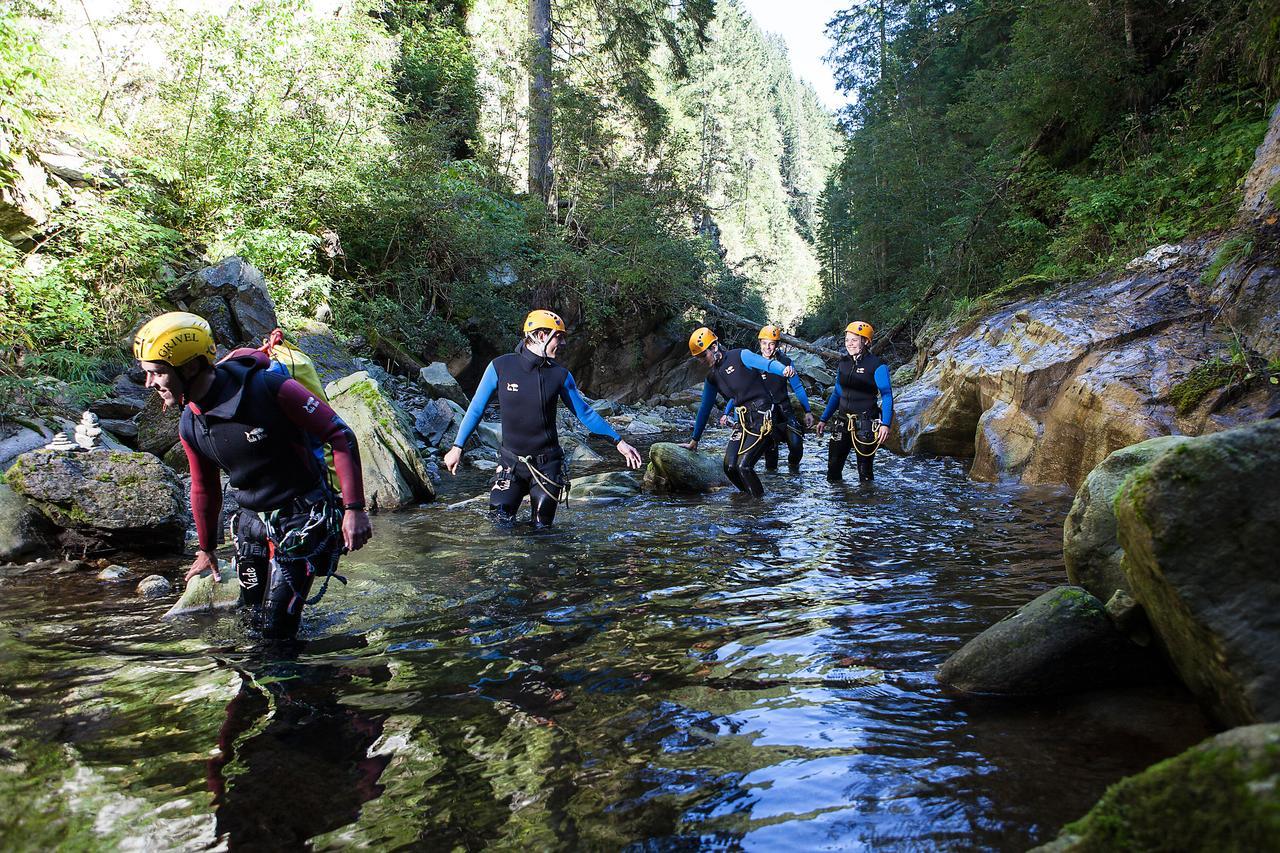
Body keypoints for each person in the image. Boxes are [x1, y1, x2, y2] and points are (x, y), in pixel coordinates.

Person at [133, 311, 372, 641]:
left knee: (277, 632)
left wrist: (353, 510)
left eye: (157, 373)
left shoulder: (269, 388)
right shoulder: (190, 423)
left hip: (302, 520)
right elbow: (204, 487)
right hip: (250, 524)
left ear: (188, 367)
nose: (150, 384)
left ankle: (317, 682)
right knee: (249, 619)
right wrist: (206, 549)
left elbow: (340, 435)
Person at [443, 309, 643, 527]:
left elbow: (584, 413)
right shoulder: (500, 367)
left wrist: (619, 442)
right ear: (540, 335)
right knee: (498, 523)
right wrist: (457, 447)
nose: (563, 343)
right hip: (511, 465)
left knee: (542, 531)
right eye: (559, 336)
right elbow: (476, 409)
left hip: (547, 467)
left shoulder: (560, 376)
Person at [680, 327, 797, 498]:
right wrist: (694, 440)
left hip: (763, 416)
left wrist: (783, 370)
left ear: (714, 347)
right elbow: (704, 409)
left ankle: (760, 506)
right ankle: (748, 499)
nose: (701, 361)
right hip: (742, 422)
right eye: (698, 358)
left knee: (744, 466)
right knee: (729, 467)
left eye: (703, 356)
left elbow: (766, 363)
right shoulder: (712, 378)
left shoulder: (740, 355)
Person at [719, 324, 815, 473]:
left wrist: (808, 411)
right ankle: (773, 485)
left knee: (796, 447)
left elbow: (797, 387)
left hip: (784, 410)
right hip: (764, 414)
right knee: (771, 458)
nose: (767, 348)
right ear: (760, 343)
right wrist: (727, 412)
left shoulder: (786, 362)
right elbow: (738, 392)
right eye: (764, 343)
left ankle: (793, 476)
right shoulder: (751, 362)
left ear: (777, 345)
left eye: (771, 344)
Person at [815, 321, 893, 483]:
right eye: (847, 340)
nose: (849, 344)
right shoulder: (843, 363)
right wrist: (823, 419)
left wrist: (886, 424)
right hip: (842, 422)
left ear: (865, 341)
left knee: (864, 471)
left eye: (854, 340)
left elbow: (886, 395)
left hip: (865, 424)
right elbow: (837, 393)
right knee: (833, 468)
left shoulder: (877, 365)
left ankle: (865, 506)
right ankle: (838, 504)